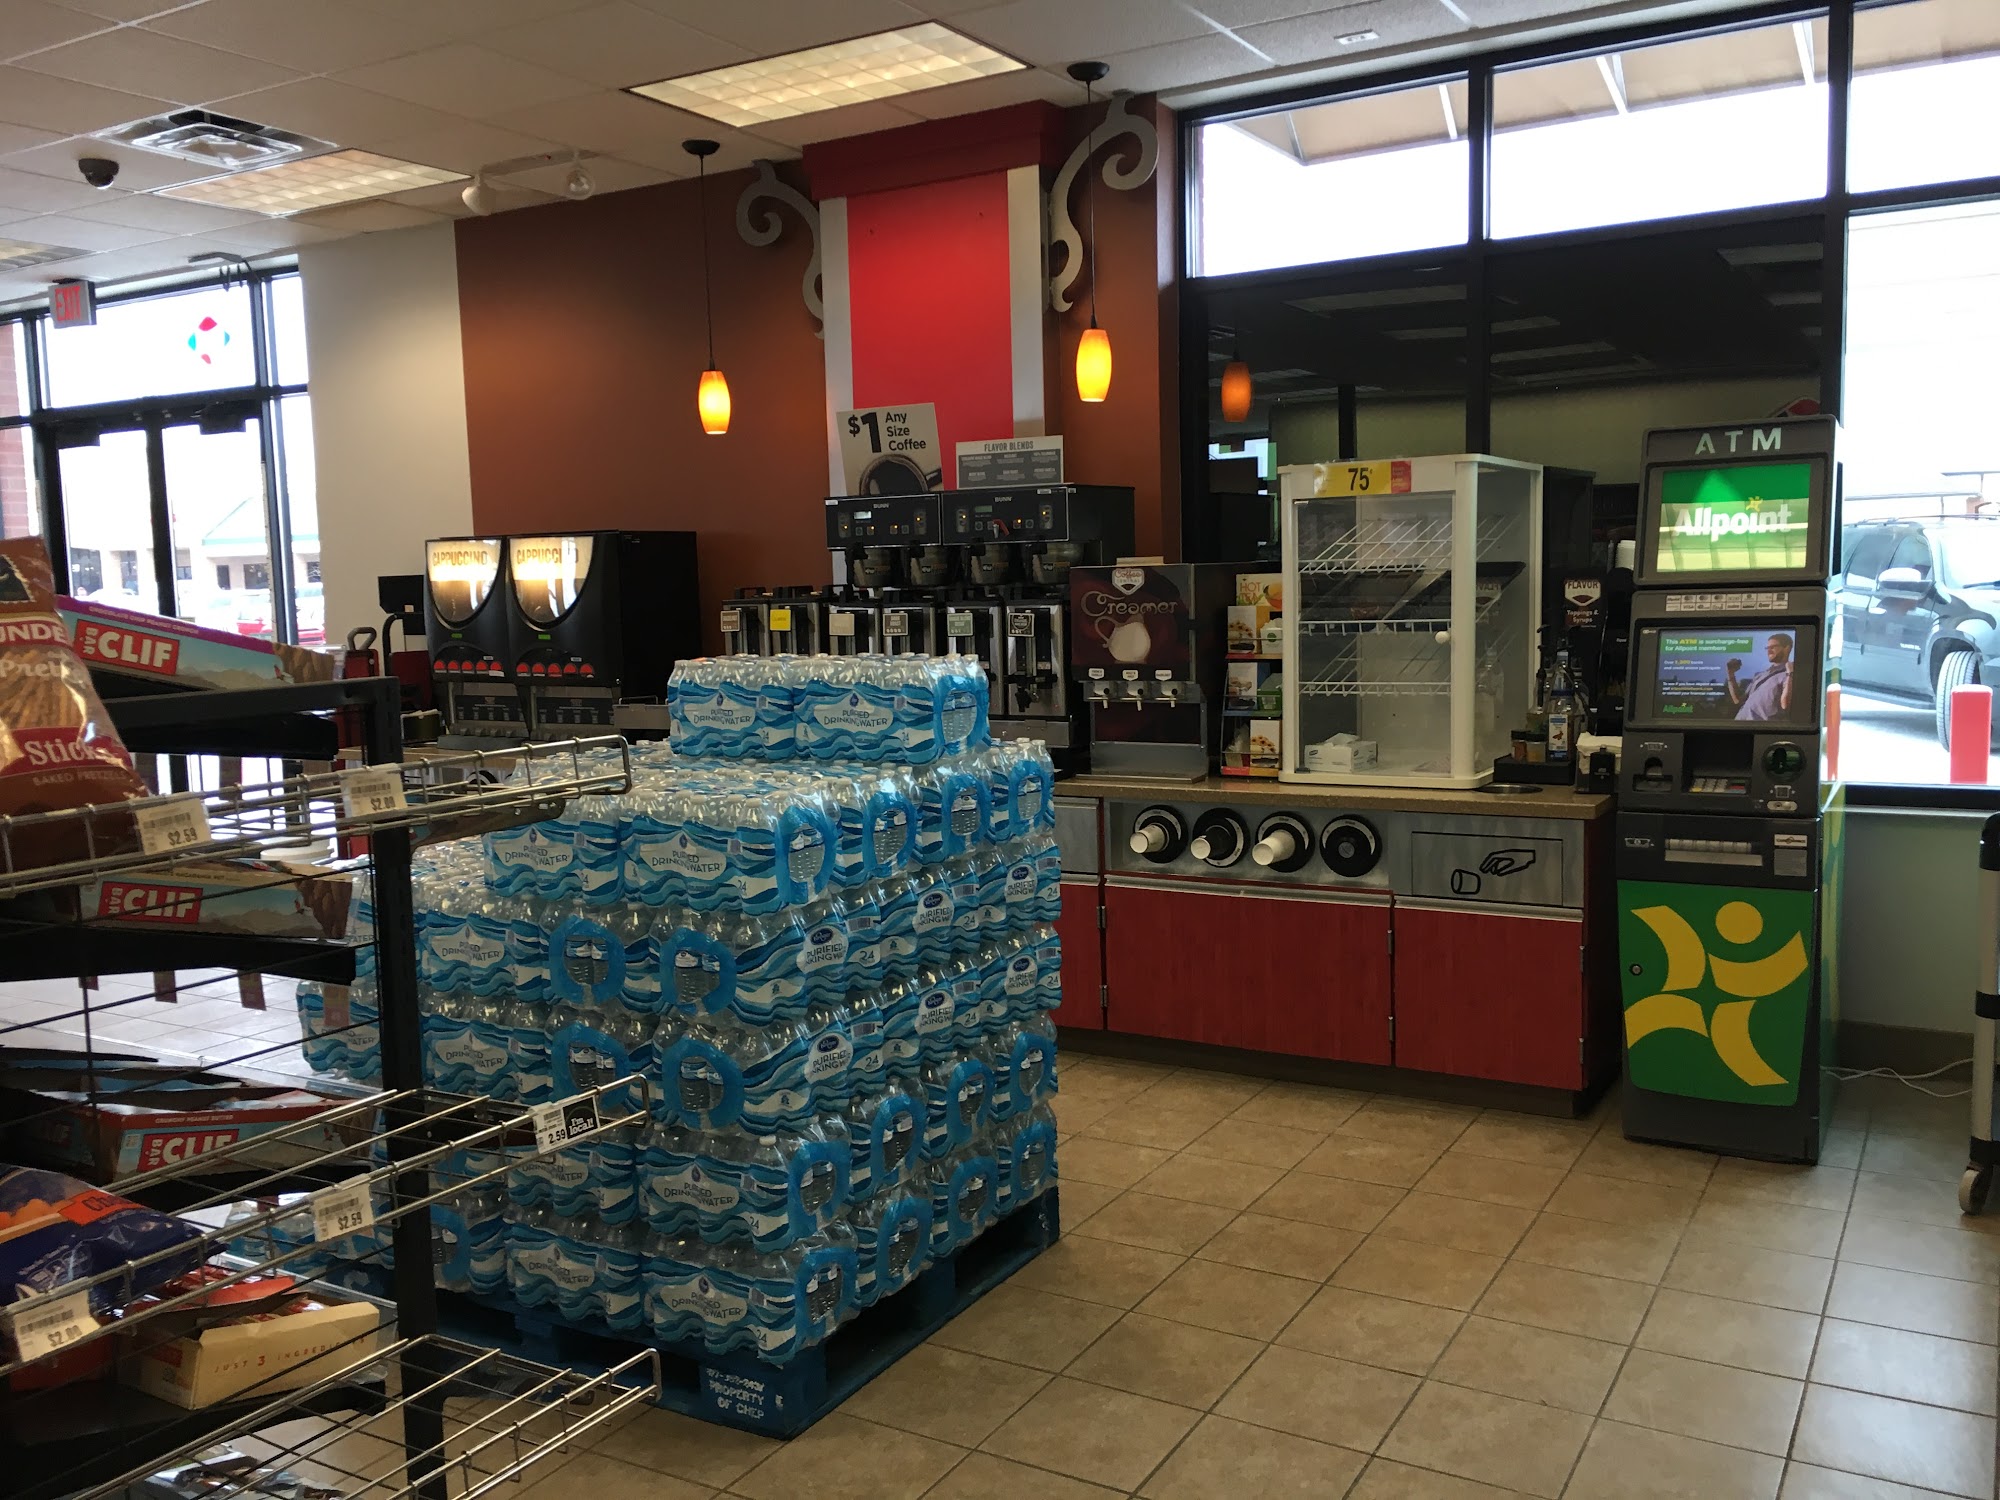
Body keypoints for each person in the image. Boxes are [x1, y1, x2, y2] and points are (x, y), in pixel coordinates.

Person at [1726, 632, 1795, 721]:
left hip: (1761, 727)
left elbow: (1786, 705)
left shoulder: (1789, 674)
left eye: (1773, 647)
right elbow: (1738, 700)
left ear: (1787, 648)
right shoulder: (1759, 675)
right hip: (1739, 724)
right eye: (1767, 648)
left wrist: (1790, 673)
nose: (1769, 651)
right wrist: (1730, 674)